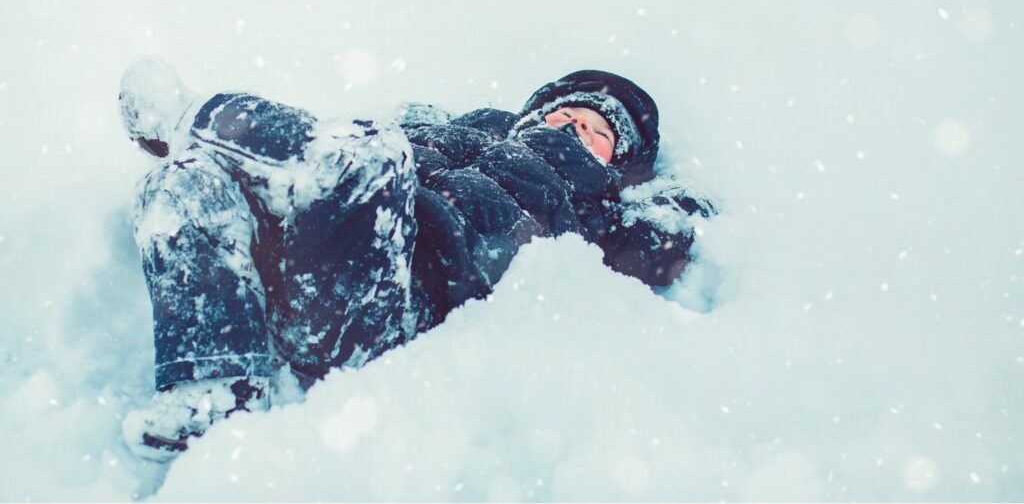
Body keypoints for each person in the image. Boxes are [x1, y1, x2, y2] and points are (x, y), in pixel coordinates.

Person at [117, 58, 714, 461]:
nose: (572, 126)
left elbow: (668, 238)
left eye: (594, 129)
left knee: (371, 155)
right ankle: (220, 383)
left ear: (618, 162)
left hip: (393, 303)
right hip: (312, 272)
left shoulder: (600, 207)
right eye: (563, 114)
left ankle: (191, 117)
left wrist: (673, 197)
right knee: (183, 183)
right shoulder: (456, 128)